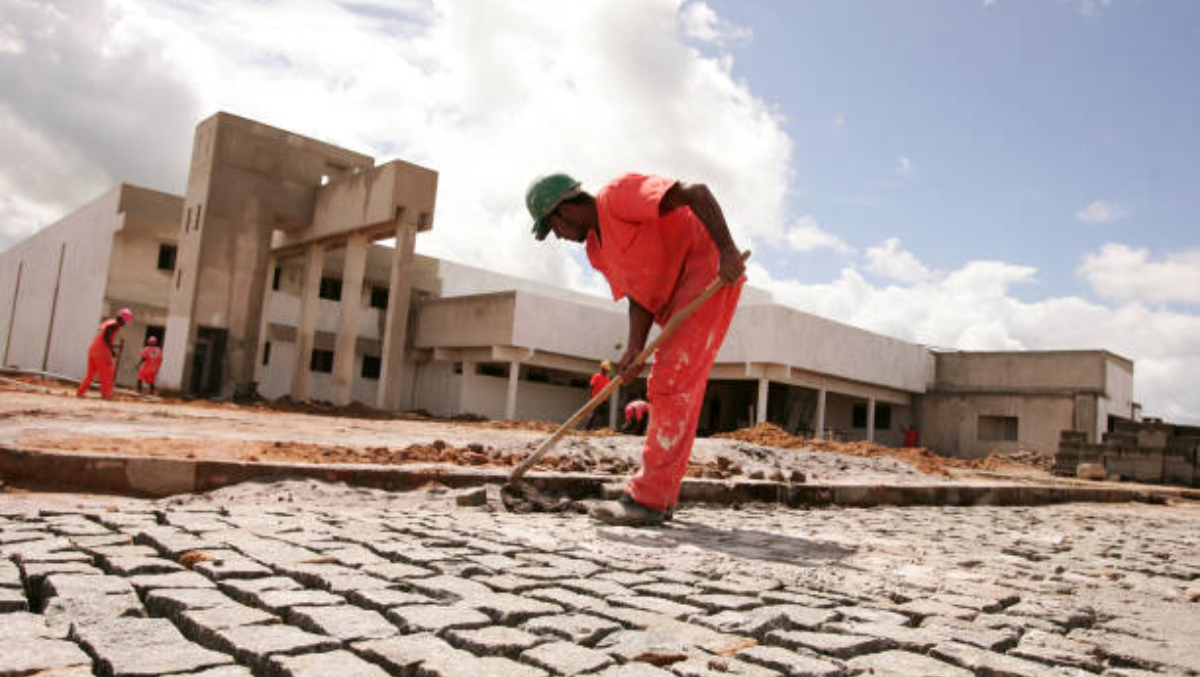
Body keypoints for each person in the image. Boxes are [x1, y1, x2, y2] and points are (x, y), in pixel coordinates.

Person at [526, 172, 745, 526]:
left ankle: (648, 499)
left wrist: (727, 250)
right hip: (673, 300)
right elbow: (638, 296)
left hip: (707, 272)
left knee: (670, 383)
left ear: (565, 210)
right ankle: (660, 493)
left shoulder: (618, 196)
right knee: (675, 390)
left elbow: (696, 192)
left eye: (554, 228)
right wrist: (634, 349)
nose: (560, 237)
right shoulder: (597, 251)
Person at [77, 308, 132, 399]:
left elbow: (104, 338)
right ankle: (107, 395)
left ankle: (80, 393)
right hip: (102, 353)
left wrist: (114, 347)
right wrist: (112, 351)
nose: (125, 324)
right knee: (107, 375)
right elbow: (106, 338)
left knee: (89, 376)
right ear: (123, 319)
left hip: (93, 350)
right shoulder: (114, 325)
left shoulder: (109, 322)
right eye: (126, 321)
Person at [584, 361, 613, 429]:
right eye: (605, 369)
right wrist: (591, 398)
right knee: (593, 415)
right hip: (596, 398)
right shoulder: (596, 376)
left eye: (607, 370)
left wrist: (607, 398)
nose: (606, 371)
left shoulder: (607, 379)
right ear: (602, 369)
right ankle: (587, 429)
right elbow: (591, 387)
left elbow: (608, 389)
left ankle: (604, 429)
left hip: (604, 400)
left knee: (605, 415)